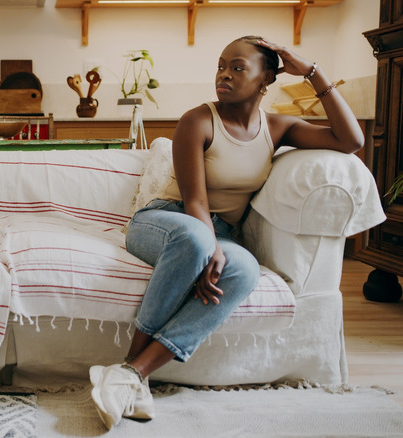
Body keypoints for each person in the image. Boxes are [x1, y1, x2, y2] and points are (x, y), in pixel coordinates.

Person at [89, 36, 364, 430]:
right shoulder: (198, 120)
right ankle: (131, 373)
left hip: (217, 233)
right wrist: (210, 246)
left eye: (238, 67)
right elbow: (194, 202)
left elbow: (350, 140)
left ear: (266, 78)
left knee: (245, 271)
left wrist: (313, 72)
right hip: (166, 220)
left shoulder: (278, 127)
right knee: (197, 240)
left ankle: (131, 373)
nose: (224, 75)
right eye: (221, 66)